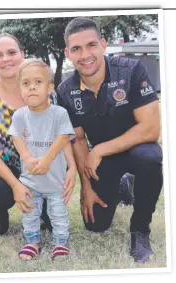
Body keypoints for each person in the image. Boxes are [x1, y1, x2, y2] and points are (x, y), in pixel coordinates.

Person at [57, 17, 163, 263]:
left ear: (103, 44)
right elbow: (79, 140)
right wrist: (87, 187)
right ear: (68, 53)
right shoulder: (65, 90)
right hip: (102, 161)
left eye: (91, 45)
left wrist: (101, 149)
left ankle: (140, 229)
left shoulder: (132, 70)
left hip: (136, 151)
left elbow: (150, 129)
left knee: (150, 156)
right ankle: (123, 186)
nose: (85, 54)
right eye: (76, 49)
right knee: (95, 225)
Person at [0, 33, 76, 236]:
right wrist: (16, 185)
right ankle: (0, 209)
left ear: (22, 54)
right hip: (1, 164)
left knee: (51, 222)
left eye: (11, 52)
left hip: (40, 162)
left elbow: (61, 133)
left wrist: (72, 167)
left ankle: (43, 204)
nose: (5, 58)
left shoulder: (45, 92)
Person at [8, 58, 76, 260]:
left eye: (38, 82)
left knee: (58, 215)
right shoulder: (19, 115)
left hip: (55, 181)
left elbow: (64, 138)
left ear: (50, 87)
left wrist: (48, 159)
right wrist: (27, 157)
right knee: (30, 213)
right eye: (26, 84)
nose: (32, 88)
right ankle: (32, 241)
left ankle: (60, 243)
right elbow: (16, 137)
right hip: (30, 181)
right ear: (20, 89)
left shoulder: (59, 113)